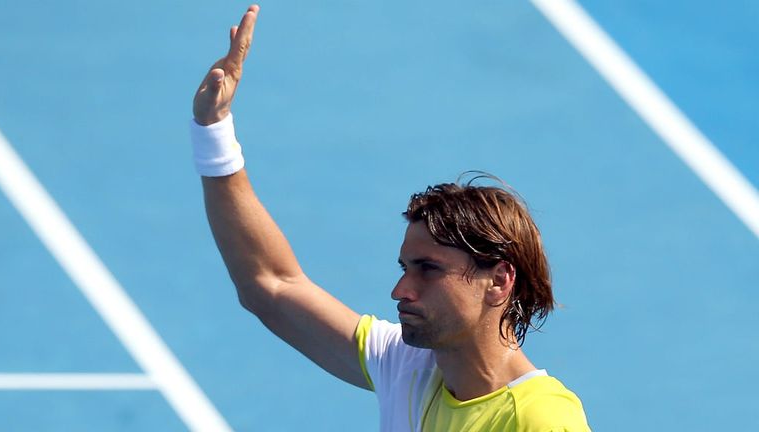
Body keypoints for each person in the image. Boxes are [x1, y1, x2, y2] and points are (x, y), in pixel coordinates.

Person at [190, 5, 591, 431]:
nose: (401, 290)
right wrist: (213, 129)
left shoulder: (540, 418)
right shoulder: (407, 366)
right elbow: (269, 285)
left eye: (428, 269)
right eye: (405, 268)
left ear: (498, 280)